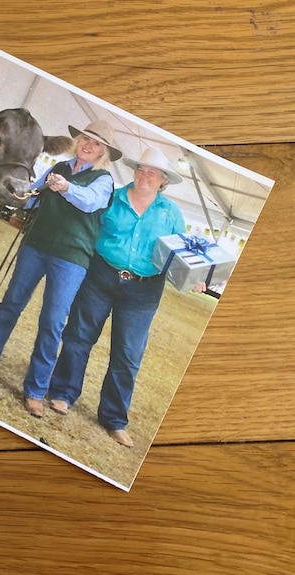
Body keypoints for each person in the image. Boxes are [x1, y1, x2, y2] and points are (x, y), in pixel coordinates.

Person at [47, 147, 204, 448]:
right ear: (134, 172)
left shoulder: (171, 213)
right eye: (141, 169)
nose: (145, 175)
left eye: (152, 173)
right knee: (79, 335)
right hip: (101, 274)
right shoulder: (112, 197)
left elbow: (181, 255)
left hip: (144, 290)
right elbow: (88, 229)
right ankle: (63, 394)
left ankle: (114, 419)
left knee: (128, 355)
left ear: (162, 181)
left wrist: (195, 279)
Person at [0, 120, 122, 419]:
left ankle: (36, 390)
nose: (88, 144)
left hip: (71, 258)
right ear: (78, 140)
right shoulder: (58, 168)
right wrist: (17, 192)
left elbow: (89, 203)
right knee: (10, 304)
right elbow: (30, 198)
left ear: (105, 152)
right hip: (36, 245)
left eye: (97, 143)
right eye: (86, 138)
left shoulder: (104, 181)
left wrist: (65, 188)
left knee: (52, 323)